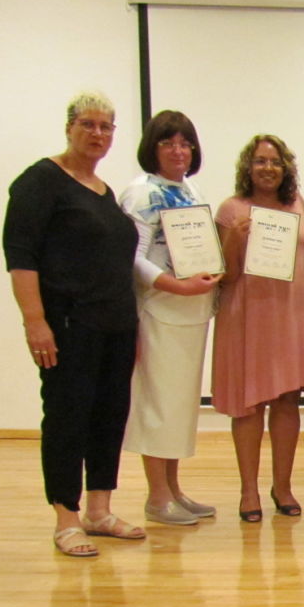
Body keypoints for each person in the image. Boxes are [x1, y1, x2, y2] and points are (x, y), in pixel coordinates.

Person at [3, 92, 142, 556]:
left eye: (106, 126)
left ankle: (99, 510)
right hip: (69, 324)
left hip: (116, 325)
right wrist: (35, 321)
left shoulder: (102, 191)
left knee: (109, 416)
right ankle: (67, 517)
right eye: (88, 124)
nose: (97, 133)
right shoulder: (40, 181)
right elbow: (20, 257)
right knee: (67, 417)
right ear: (69, 127)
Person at [119, 110, 221, 526]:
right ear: (152, 148)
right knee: (159, 405)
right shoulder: (140, 193)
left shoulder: (189, 189)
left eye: (185, 143)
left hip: (191, 313)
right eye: (168, 143)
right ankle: (157, 496)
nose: (178, 151)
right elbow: (133, 258)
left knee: (179, 407)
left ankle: (174, 489)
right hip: (159, 310)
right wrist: (175, 285)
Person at [213, 134, 304, 521]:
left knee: (288, 401)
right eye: (260, 161)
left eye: (275, 161)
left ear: (286, 167)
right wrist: (234, 238)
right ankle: (248, 491)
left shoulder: (297, 203)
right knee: (249, 405)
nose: (268, 168)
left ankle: (282, 486)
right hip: (248, 316)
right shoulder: (231, 208)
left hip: (290, 315)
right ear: (248, 166)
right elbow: (223, 274)